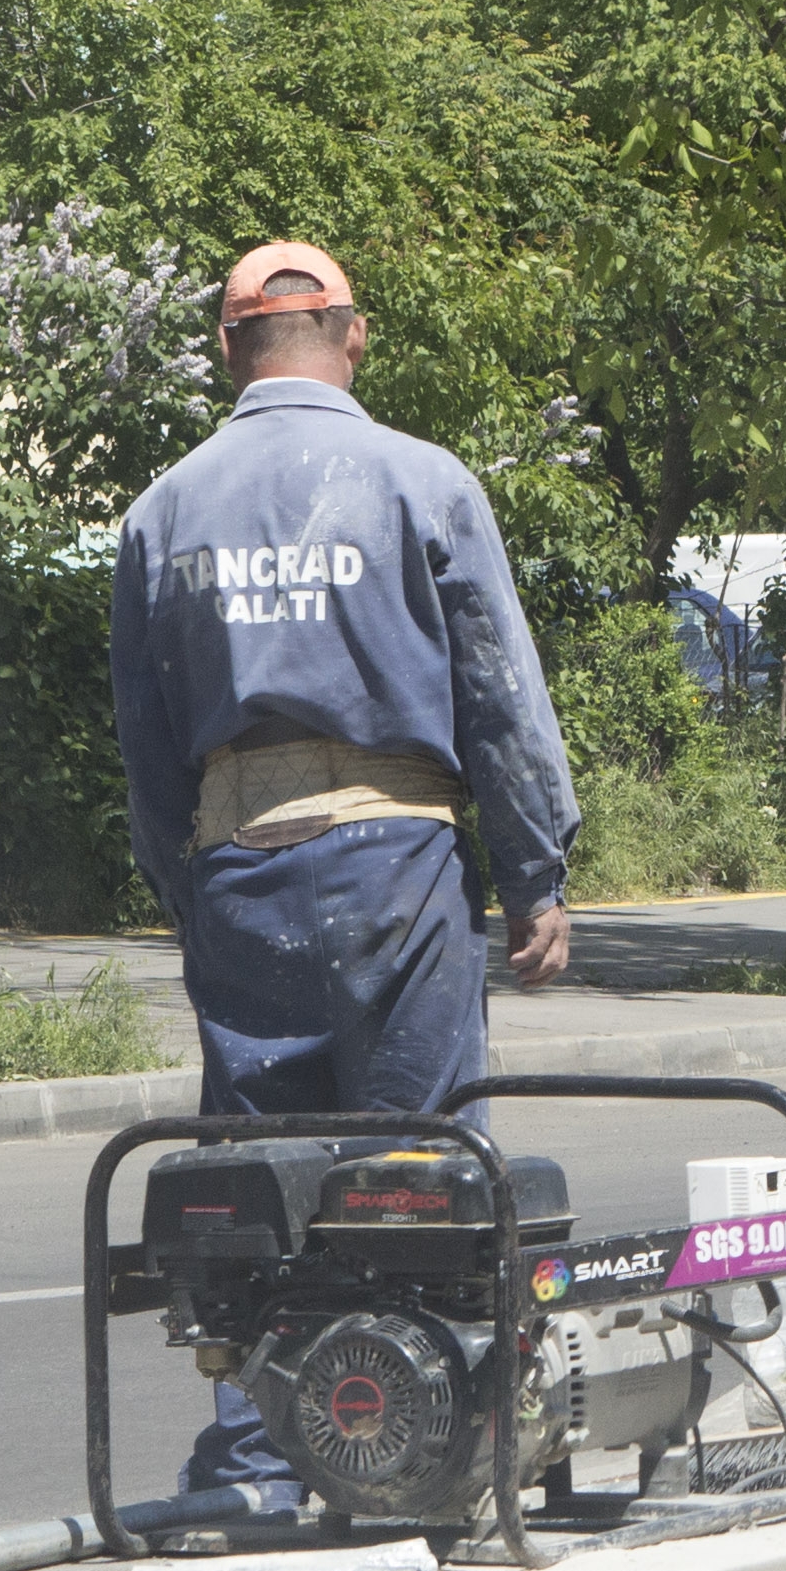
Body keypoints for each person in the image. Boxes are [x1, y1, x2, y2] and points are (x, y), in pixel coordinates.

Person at [110, 241, 583, 1494]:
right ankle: (437, 1447)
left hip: (240, 871)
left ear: (227, 347)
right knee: (423, 1170)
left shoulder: (164, 510)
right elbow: (496, 691)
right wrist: (535, 871)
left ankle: (258, 1459)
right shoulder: (419, 482)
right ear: (354, 336)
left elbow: (147, 740)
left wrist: (190, 895)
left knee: (255, 1184)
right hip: (395, 866)